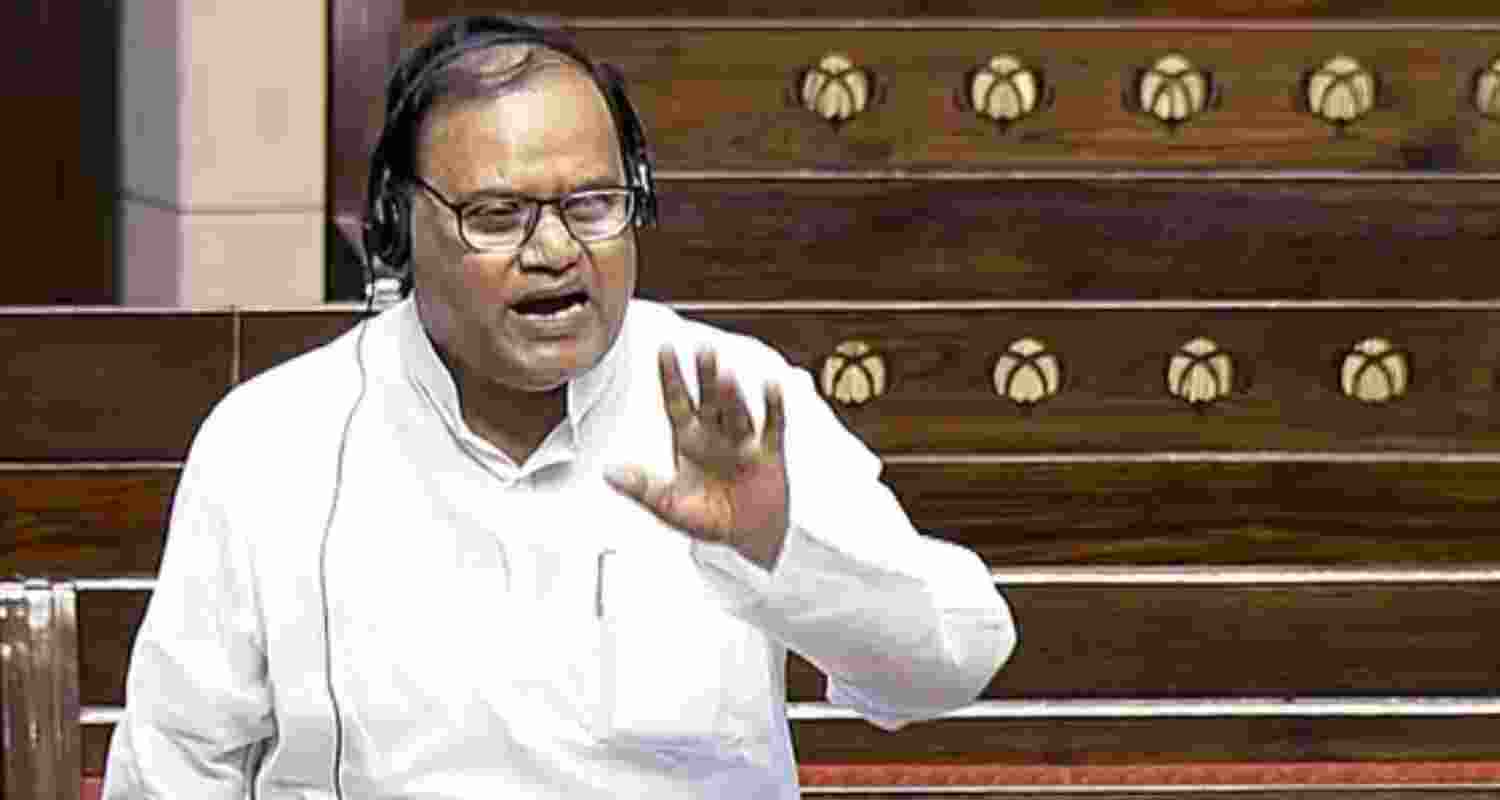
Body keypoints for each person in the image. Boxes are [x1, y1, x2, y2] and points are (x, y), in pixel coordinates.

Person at [102, 16, 1016, 799]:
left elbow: (955, 662)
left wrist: (775, 550)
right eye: (497, 216)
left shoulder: (733, 400)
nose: (555, 252)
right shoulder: (275, 443)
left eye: (592, 205)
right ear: (394, 224)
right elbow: (176, 768)